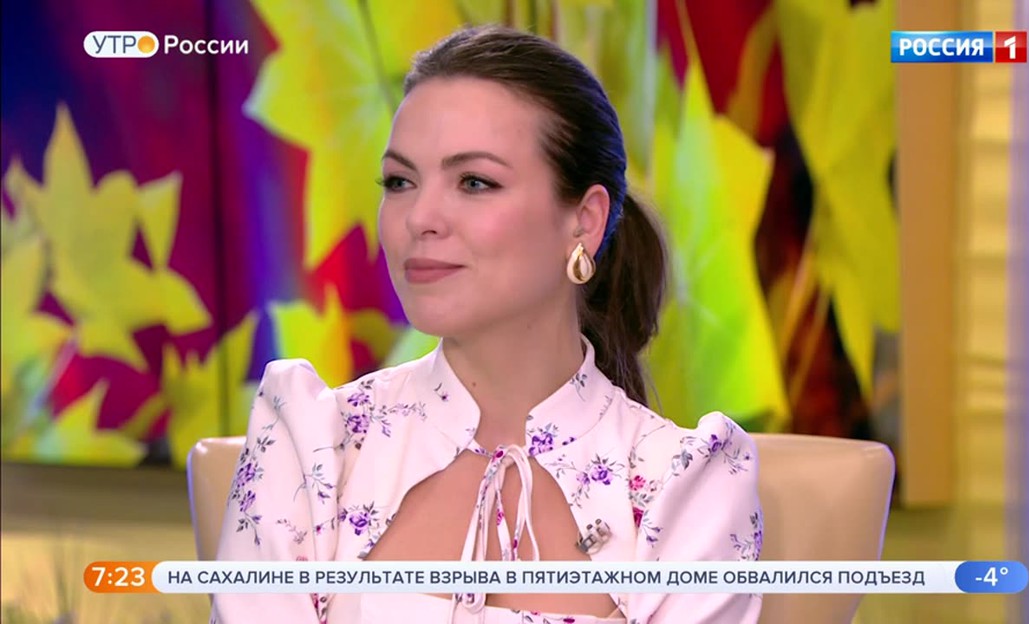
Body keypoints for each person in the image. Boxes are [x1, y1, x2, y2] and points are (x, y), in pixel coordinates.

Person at [212, 25, 762, 624]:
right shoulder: (314, 445)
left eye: (475, 182)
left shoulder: (683, 483)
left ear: (584, 221)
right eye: (400, 182)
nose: (419, 217)